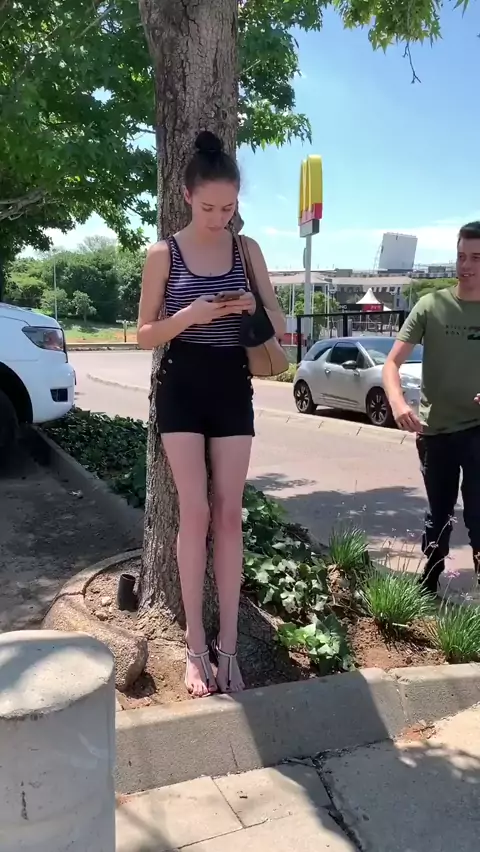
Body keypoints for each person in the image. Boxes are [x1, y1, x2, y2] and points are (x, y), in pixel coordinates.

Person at [137, 131, 285, 696]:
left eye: (229, 208)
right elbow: (143, 334)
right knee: (194, 511)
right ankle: (194, 646)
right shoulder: (163, 253)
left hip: (231, 383)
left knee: (228, 514)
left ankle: (229, 645)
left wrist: (251, 307)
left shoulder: (247, 250)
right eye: (209, 208)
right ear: (186, 196)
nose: (220, 219)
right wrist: (190, 316)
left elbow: (277, 321)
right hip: (181, 384)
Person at [383, 221, 480, 593]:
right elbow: (391, 364)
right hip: (435, 431)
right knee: (439, 513)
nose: (465, 265)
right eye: (461, 256)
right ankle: (432, 571)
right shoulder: (431, 305)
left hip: (477, 429)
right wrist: (397, 403)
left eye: (476, 258)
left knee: (479, 513)